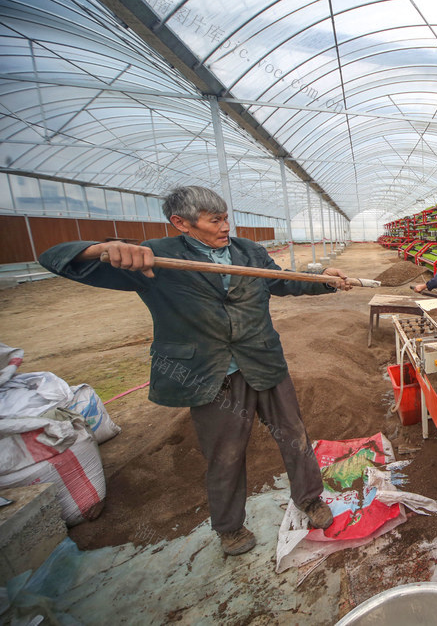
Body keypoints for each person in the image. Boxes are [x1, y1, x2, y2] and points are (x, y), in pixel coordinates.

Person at [38, 186, 346, 556]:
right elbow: (55, 258)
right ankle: (230, 528)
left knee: (294, 435)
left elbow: (280, 281)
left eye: (226, 217)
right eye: (214, 220)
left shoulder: (248, 252)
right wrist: (102, 249)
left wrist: (324, 279)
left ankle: (310, 500)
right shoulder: (154, 258)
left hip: (264, 362)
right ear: (180, 223)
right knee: (225, 454)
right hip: (209, 374)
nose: (224, 226)